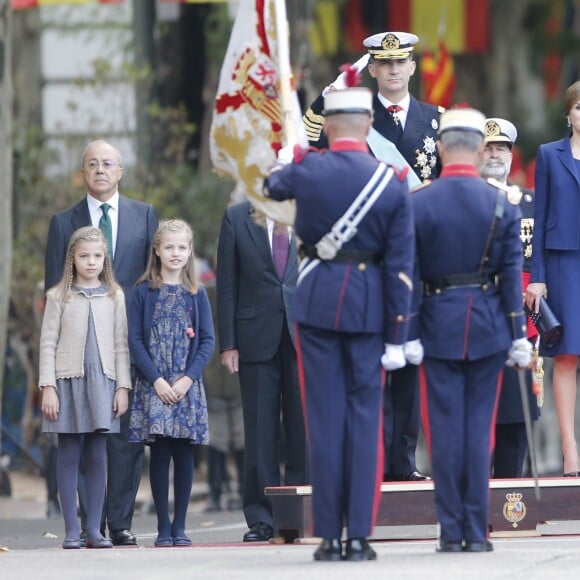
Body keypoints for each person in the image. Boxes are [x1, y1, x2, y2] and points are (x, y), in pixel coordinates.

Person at [264, 84, 415, 561]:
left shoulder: (306, 170)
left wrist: (293, 152)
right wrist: (399, 332)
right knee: (366, 423)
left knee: (324, 423)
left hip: (316, 306)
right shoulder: (389, 179)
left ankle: (329, 535)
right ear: (369, 125)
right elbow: (401, 265)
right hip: (370, 310)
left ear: (327, 126)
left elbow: (270, 187)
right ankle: (359, 536)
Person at [304, 30, 439, 483]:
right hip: (368, 257)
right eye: (385, 63)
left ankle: (404, 460)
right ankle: (371, 460)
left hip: (417, 258)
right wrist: (327, 97)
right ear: (374, 69)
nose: (394, 70)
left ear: (412, 67)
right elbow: (314, 142)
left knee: (410, 361)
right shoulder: (354, 116)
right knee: (367, 362)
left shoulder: (437, 120)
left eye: (402, 62)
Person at [411, 108, 530, 553]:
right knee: (481, 434)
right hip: (486, 326)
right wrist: (518, 334)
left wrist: (405, 333)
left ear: (441, 147)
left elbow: (407, 272)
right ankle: (477, 532)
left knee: (443, 433)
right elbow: (510, 272)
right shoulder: (502, 203)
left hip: (436, 324)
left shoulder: (418, 202)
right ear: (480, 149)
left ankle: (451, 530)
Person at [44, 139, 159, 546]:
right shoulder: (63, 223)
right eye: (91, 164)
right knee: (78, 439)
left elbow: (154, 279)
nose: (100, 170)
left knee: (125, 435)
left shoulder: (145, 215)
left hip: (127, 342)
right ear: (82, 172)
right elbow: (52, 292)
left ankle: (119, 522)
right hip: (76, 351)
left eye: (107, 163)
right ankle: (81, 525)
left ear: (120, 170)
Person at [216, 201, 307, 542]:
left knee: (303, 429)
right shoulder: (236, 216)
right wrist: (228, 343)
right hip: (254, 336)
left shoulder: (309, 206)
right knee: (259, 431)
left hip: (305, 335)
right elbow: (227, 283)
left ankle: (302, 513)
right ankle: (262, 518)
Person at [39, 226, 131, 549]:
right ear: (72, 259)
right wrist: (47, 385)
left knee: (97, 454)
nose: (90, 261)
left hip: (103, 382)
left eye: (96, 255)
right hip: (67, 381)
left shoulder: (114, 295)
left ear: (104, 257)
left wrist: (123, 387)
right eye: (83, 256)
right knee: (69, 453)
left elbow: (121, 345)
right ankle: (71, 530)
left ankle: (94, 530)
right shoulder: (58, 296)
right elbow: (47, 343)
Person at [128, 219, 214, 547]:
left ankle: (181, 526)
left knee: (184, 453)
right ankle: (163, 526)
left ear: (190, 251)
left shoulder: (197, 293)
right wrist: (157, 380)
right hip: (156, 385)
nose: (175, 253)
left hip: (186, 386)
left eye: (181, 247)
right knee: (160, 453)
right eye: (169, 247)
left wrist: (188, 378)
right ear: (157, 250)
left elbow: (207, 339)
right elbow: (135, 340)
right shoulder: (143, 292)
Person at [479, 117, 540, 478]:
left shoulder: (530, 202)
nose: (494, 154)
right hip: (479, 318)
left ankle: (511, 499)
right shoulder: (465, 197)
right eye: (487, 148)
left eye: (501, 147)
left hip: (521, 325)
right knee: (477, 419)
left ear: (511, 154)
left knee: (518, 419)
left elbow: (540, 261)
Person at [526, 80, 580, 477]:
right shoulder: (549, 154)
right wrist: (537, 277)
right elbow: (540, 217)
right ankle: (568, 446)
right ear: (568, 113)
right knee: (566, 356)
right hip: (563, 264)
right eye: (579, 107)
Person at [202, 269, 244, 513]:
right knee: (216, 440)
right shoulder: (207, 293)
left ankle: (239, 490)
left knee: (241, 440)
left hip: (234, 377)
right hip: (214, 377)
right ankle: (216, 492)